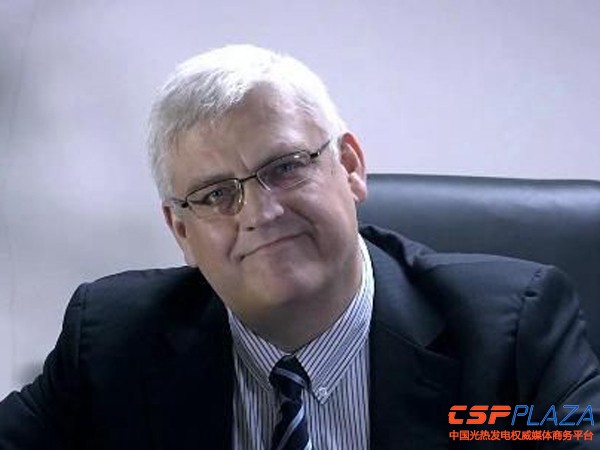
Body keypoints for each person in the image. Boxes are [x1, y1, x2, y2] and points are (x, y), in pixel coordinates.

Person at [0, 44, 598, 450]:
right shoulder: (112, 339)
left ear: (351, 166)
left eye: (285, 167)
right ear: (181, 231)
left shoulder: (510, 332)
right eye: (215, 195)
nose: (260, 213)